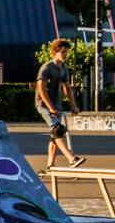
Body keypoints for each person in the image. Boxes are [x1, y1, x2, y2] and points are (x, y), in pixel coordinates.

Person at [36, 38, 86, 170]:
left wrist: (73, 105)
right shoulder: (46, 68)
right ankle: (71, 159)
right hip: (44, 105)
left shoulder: (63, 68)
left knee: (55, 136)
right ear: (55, 52)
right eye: (63, 52)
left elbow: (67, 88)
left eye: (67, 52)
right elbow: (40, 88)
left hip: (56, 105)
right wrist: (51, 108)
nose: (65, 55)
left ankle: (50, 166)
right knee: (57, 130)